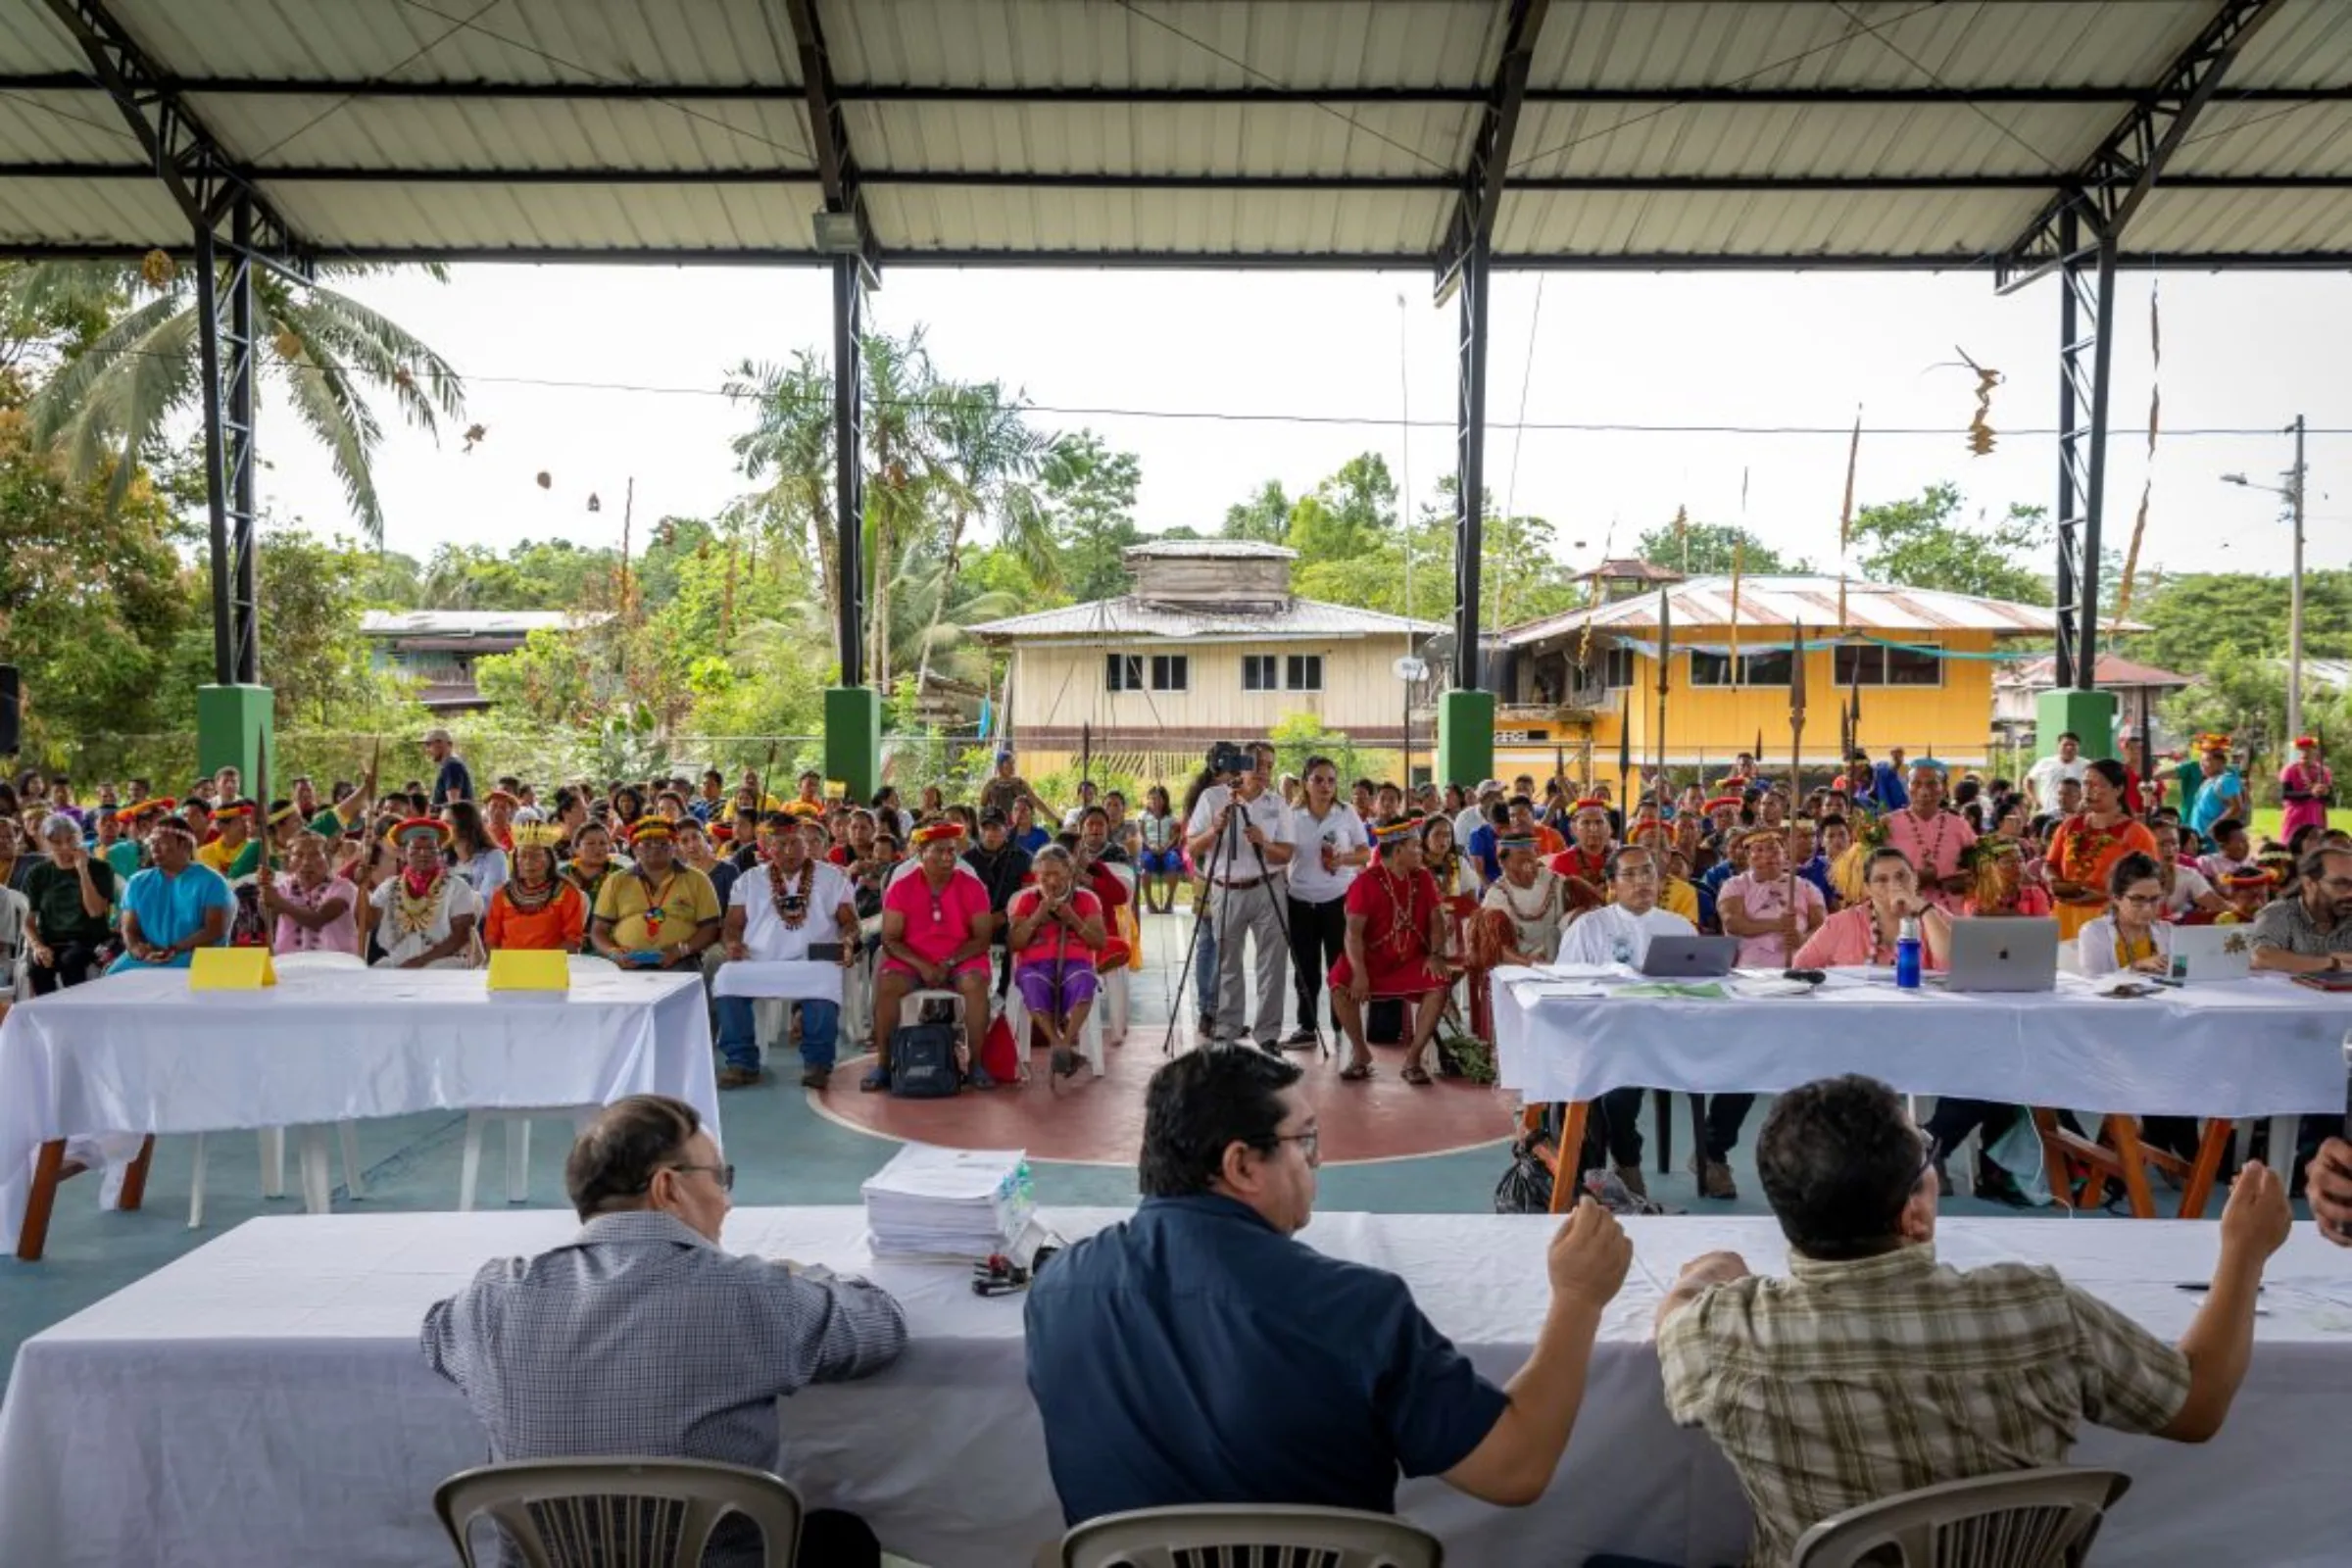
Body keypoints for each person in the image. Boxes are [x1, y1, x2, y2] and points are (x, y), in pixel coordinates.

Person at [1657, 1074, 2290, 1568]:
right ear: (1913, 1215)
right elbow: (2199, 1407)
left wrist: (1714, 1268)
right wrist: (2245, 1251)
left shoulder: (1727, 1335)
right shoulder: (2039, 1307)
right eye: (1927, 1154)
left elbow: (1675, 1312)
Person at [1024, 1048, 1631, 1527]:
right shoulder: (1357, 1310)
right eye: (1304, 1140)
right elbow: (1515, 1470)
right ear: (1240, 1166)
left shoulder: (1057, 1290)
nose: (1315, 1161)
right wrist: (1579, 1298)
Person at [421, 1095, 906, 1568]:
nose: (728, 1201)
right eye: (720, 1178)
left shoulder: (492, 1297)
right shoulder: (752, 1294)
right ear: (667, 1188)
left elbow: (435, 1336)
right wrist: (806, 1277)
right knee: (841, 1538)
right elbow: (881, 1327)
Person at [719, 814, 860, 1091]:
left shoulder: (832, 877)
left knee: (824, 978)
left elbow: (850, 922)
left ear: (806, 845)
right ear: (767, 847)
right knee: (726, 979)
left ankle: (818, 1063)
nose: (789, 850)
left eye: (795, 843)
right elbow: (732, 926)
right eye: (780, 844)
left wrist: (846, 941)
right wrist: (733, 945)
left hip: (814, 958)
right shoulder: (749, 880)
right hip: (761, 959)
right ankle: (742, 1063)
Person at [867, 821, 997, 1092]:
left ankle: (975, 1065)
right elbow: (890, 939)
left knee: (974, 985)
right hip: (912, 959)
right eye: (939, 851)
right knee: (888, 985)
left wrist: (949, 962)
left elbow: (982, 938)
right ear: (921, 853)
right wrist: (922, 965)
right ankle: (883, 1064)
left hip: (961, 958)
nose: (948, 857)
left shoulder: (973, 886)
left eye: (952, 851)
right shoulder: (901, 886)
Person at [1185, 742, 1296, 1051]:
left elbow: (1287, 852)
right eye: (1257, 764)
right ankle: (1227, 1029)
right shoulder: (1213, 797)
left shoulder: (1277, 804)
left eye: (1270, 766)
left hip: (1268, 886)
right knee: (1226, 961)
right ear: (1241, 765)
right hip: (1225, 888)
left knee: (1272, 964)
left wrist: (1265, 844)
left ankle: (1268, 1034)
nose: (1264, 772)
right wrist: (1214, 829)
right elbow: (1192, 847)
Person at [1329, 816, 1453, 1085]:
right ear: (1398, 852)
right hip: (1371, 960)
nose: (1421, 852)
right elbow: (1352, 934)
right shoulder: (1365, 883)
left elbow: (1436, 921)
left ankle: (1413, 1059)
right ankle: (1361, 1054)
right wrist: (1360, 973)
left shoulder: (1423, 877)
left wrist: (1435, 954)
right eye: (1415, 847)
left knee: (1439, 983)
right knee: (1339, 984)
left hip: (1411, 960)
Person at [1283, 757, 1370, 1050]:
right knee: (1304, 967)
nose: (1325, 786)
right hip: (1300, 901)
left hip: (1338, 900)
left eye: (1331, 780)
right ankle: (1307, 1027)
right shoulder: (1291, 815)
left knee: (1339, 964)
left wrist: (1343, 858)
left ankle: (1341, 1025)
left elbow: (1364, 853)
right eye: (1318, 779)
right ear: (1305, 783)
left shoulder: (1346, 813)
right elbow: (1282, 853)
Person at [1004, 844, 1108, 1080]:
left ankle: (1065, 1040)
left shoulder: (1085, 900)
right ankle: (1059, 1045)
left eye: (1057, 874)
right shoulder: (1027, 901)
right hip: (1034, 965)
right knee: (1031, 982)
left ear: (1070, 873)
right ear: (1037, 876)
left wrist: (1073, 919)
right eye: (1044, 875)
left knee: (1085, 980)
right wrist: (1036, 917)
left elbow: (1099, 942)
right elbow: (1015, 944)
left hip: (1075, 963)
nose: (1051, 881)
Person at [2044, 759, 2160, 942]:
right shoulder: (2069, 825)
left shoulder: (2136, 833)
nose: (2089, 791)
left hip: (2110, 918)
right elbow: (2049, 864)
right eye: (2086, 784)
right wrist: (2054, 882)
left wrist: (2105, 896)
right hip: (2065, 915)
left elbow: (2151, 883)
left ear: (2118, 790)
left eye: (2098, 785)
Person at [591, 818, 722, 974]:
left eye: (663, 844)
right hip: (626, 962)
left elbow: (710, 928)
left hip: (681, 960)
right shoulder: (616, 881)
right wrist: (614, 953)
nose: (655, 849)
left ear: (674, 847)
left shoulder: (697, 879)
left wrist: (681, 951)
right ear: (634, 849)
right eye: (646, 845)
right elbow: (598, 930)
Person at [1794, 847, 1952, 970]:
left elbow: (1953, 962)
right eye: (1881, 879)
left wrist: (1923, 908)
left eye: (1901, 876)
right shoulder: (1841, 923)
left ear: (1915, 879)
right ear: (1868, 888)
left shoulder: (1935, 915)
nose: (1894, 885)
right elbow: (1801, 966)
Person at [106, 819, 232, 973]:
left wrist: (173, 949)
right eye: (152, 843)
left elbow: (214, 930)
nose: (154, 848)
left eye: (162, 842)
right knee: (112, 975)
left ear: (185, 845)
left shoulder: (212, 881)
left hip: (194, 954)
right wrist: (137, 950)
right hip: (149, 957)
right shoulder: (137, 882)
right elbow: (129, 928)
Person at [368, 816, 482, 969]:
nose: (424, 854)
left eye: (431, 849)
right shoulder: (388, 888)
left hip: (442, 964)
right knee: (378, 969)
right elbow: (367, 922)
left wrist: (419, 962)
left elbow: (461, 936)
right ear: (404, 854)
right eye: (416, 849)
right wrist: (362, 884)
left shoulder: (457, 887)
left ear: (439, 853)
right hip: (398, 964)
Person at [23, 814, 117, 992]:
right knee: (39, 968)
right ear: (45, 844)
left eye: (70, 839)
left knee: (70, 962)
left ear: (79, 837)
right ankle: (47, 1017)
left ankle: (77, 1015)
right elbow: (28, 922)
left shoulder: (100, 868)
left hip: (90, 941)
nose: (65, 847)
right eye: (57, 842)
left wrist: (83, 871)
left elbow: (96, 912)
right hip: (51, 940)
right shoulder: (37, 873)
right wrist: (38, 947)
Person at [1718, 824, 1825, 970]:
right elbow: (1732, 923)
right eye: (1759, 850)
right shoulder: (1734, 885)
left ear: (1784, 854)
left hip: (1798, 967)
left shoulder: (1805, 887)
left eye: (1773, 849)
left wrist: (1803, 939)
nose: (1767, 855)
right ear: (1748, 857)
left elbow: (1823, 925)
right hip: (1751, 970)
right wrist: (1777, 924)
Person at [1881, 761, 1975, 915]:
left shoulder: (1959, 825)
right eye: (1916, 783)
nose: (1924, 791)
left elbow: (1975, 870)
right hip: (1902, 915)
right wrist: (1913, 880)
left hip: (1949, 915)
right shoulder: (1887, 824)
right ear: (1907, 788)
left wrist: (1958, 882)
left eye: (1932, 784)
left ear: (1944, 789)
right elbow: (1872, 874)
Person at [481, 823, 586, 956]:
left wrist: (538, 964)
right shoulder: (502, 893)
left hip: (550, 966)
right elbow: (491, 938)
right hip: (509, 966)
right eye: (522, 856)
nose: (528, 861)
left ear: (549, 860)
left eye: (536, 856)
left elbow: (573, 940)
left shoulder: (567, 893)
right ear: (515, 861)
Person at [1475, 834, 1573, 970]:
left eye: (1531, 858)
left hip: (1560, 958)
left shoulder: (1554, 880)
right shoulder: (1497, 895)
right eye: (1521, 859)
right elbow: (1496, 946)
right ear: (1504, 863)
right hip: (1519, 965)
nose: (1528, 866)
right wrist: (1529, 963)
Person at [2248, 846, 2352, 974]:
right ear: (2308, 884)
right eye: (2341, 884)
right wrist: (2333, 963)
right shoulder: (2280, 912)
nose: (2350, 893)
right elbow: (2262, 956)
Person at [962, 808, 1031, 998]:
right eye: (986, 828)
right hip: (975, 921)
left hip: (1008, 919)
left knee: (1017, 934)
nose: (991, 833)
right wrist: (980, 920)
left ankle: (1004, 992)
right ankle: (961, 994)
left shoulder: (1022, 858)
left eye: (996, 828)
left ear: (1006, 830)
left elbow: (1028, 896)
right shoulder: (967, 860)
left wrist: (1004, 916)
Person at [258, 830, 360, 956]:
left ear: (327, 859)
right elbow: (267, 914)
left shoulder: (343, 887)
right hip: (288, 964)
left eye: (315, 855)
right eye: (299, 855)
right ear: (289, 861)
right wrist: (264, 892)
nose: (306, 862)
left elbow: (318, 920)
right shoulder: (283, 886)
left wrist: (280, 903)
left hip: (336, 966)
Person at [2077, 852, 2174, 977]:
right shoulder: (2095, 932)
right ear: (2116, 898)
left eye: (2155, 899)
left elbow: (2183, 976)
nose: (2147, 909)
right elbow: (2093, 984)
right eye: (2138, 899)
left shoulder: (2168, 931)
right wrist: (2136, 967)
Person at [442, 799, 508, 901]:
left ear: (465, 825)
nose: (442, 828)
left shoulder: (494, 857)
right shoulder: (442, 857)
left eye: (448, 823)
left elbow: (489, 900)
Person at [2187, 736, 2246, 844]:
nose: (2202, 765)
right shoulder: (2208, 781)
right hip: (2200, 838)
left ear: (2221, 762)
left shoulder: (2226, 780)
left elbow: (2236, 807)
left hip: (2213, 841)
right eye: (2201, 761)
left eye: (2207, 760)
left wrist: (2214, 828)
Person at [1135, 783, 1183, 914]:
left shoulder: (1170, 817)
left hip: (1166, 849)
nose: (1155, 802)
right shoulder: (1143, 815)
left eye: (1158, 799)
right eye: (1152, 799)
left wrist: (1165, 847)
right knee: (1145, 862)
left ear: (1164, 800)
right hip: (1148, 848)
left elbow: (1174, 837)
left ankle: (1169, 900)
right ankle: (1149, 901)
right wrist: (1150, 845)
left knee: (1173, 860)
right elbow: (1141, 834)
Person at [2282, 735, 2334, 843]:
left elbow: (2329, 798)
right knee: (2292, 844)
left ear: (2315, 752)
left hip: (2317, 815)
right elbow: (2286, 794)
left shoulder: (2325, 771)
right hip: (2295, 815)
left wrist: (2325, 793)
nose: (2304, 753)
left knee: (2316, 845)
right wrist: (2311, 793)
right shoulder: (2290, 770)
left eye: (2308, 750)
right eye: (2302, 751)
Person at [2023, 730, 2085, 814]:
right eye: (2065, 745)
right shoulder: (2045, 762)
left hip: (2075, 814)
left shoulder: (2086, 765)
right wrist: (2034, 800)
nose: (2069, 748)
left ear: (2078, 747)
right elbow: (2028, 780)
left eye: (2073, 745)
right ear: (2058, 746)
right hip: (2047, 812)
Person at [196, 799, 261, 878]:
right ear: (221, 827)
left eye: (247, 821)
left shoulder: (255, 850)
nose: (247, 825)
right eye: (241, 821)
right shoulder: (203, 853)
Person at [422, 726, 473, 807]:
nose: (427, 750)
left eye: (428, 745)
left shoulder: (452, 766)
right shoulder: (452, 764)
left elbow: (454, 805)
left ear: (440, 743)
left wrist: (430, 808)